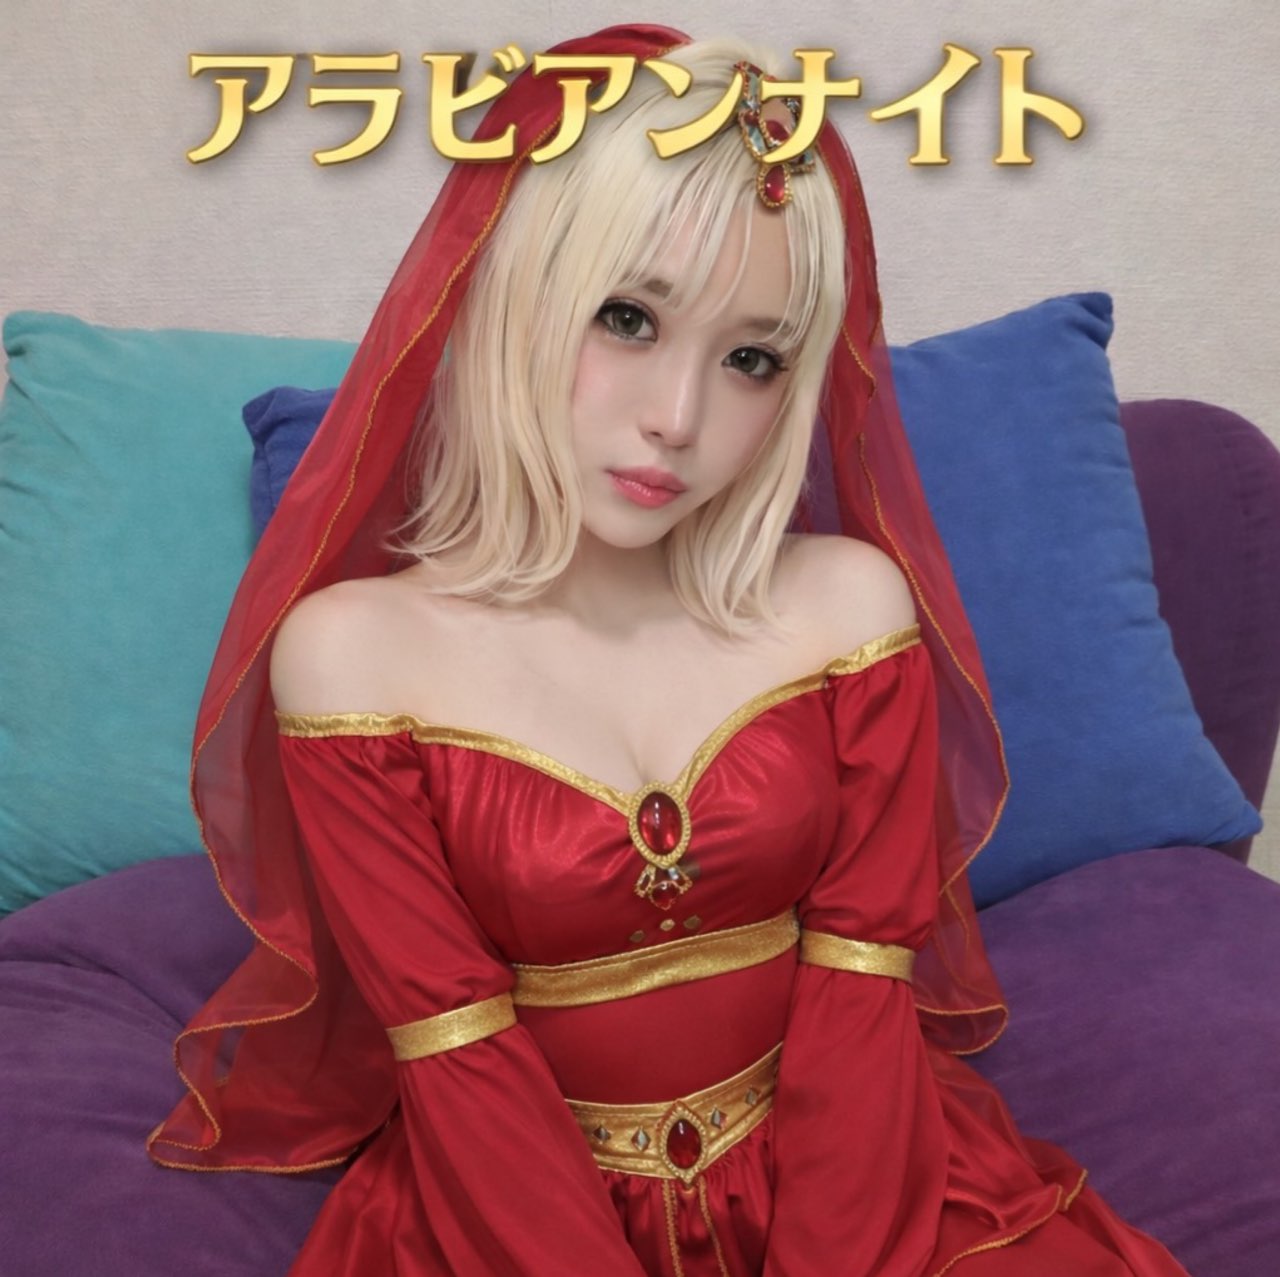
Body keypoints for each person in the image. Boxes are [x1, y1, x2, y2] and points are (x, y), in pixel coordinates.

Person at [149, 24, 1192, 1277]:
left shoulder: (845, 610)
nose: (679, 418)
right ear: (508, 292)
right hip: (511, 1211)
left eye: (751, 358)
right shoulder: (352, 661)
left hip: (859, 1178)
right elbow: (457, 1053)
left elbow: (862, 990)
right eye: (626, 317)